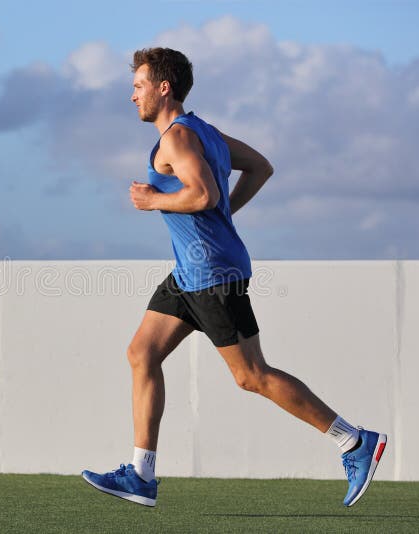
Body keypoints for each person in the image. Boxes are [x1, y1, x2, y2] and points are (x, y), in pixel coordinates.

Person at [82, 47, 386, 508]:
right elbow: (261, 166)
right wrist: (226, 215)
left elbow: (202, 193)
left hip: (211, 272)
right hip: (192, 270)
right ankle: (142, 475)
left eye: (139, 86)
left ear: (164, 88)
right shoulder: (206, 132)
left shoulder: (177, 139)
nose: (132, 96)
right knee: (141, 353)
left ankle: (354, 441)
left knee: (251, 376)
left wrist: (153, 201)